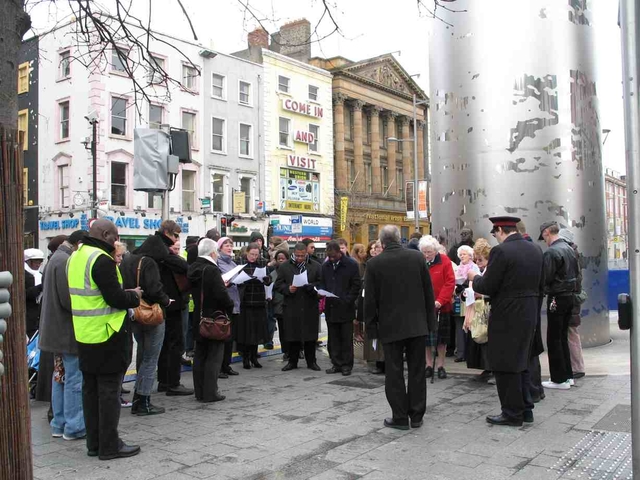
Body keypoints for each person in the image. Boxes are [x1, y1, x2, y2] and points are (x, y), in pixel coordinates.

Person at [67, 219, 141, 459]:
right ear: (106, 234)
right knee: (109, 392)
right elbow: (114, 299)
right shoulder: (101, 259)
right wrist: (135, 297)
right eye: (115, 236)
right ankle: (110, 446)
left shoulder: (76, 257)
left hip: (85, 333)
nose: (116, 241)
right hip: (107, 333)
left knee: (90, 391)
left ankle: (94, 444)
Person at [468, 216, 543, 427]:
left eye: (494, 233)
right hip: (529, 311)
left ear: (500, 229)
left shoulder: (501, 251)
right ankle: (525, 408)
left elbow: (488, 285)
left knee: (504, 363)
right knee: (523, 361)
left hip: (507, 314)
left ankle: (511, 413)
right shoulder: (534, 249)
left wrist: (475, 278)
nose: (495, 237)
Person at [364, 225, 436, 430]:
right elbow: (427, 292)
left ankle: (400, 416)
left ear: (382, 242)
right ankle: (417, 415)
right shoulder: (417, 258)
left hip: (390, 326)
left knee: (394, 372)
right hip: (417, 324)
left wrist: (371, 328)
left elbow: (370, 300)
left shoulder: (374, 264)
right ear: (399, 239)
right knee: (417, 370)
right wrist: (431, 322)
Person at [39, 231, 86, 440]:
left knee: (59, 377)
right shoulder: (66, 261)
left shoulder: (54, 259)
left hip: (54, 330)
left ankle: (58, 423)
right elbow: (69, 300)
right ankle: (74, 425)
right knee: (73, 379)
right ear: (78, 244)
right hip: (66, 331)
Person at [120, 233, 173, 416]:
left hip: (134, 313)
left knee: (142, 354)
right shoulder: (149, 262)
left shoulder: (127, 260)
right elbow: (154, 289)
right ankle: (143, 400)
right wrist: (166, 301)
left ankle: (138, 397)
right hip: (151, 313)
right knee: (150, 358)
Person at [188, 239, 235, 402]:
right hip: (214, 318)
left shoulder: (194, 267)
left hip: (199, 318)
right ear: (213, 253)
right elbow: (221, 295)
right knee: (214, 356)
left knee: (200, 355)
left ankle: (199, 391)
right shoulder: (212, 270)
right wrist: (230, 305)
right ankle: (210, 393)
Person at [539, 221, 580, 390]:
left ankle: (558, 379)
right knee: (562, 336)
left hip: (556, 297)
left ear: (547, 232)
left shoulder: (552, 252)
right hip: (569, 297)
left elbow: (545, 278)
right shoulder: (570, 249)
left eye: (543, 236)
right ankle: (567, 376)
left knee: (554, 338)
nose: (544, 239)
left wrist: (544, 290)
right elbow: (577, 274)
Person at [155, 221, 193, 396]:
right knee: (174, 344)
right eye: (175, 235)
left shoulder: (157, 247)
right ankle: (172, 383)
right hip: (171, 302)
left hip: (169, 302)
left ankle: (164, 381)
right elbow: (182, 266)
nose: (177, 239)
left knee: (165, 345)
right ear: (167, 233)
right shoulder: (161, 249)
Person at [276, 243, 322, 371]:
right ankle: (292, 361)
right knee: (293, 334)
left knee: (310, 336)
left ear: (306, 253)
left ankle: (311, 361)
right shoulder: (285, 266)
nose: (300, 258)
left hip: (309, 304)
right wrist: (288, 289)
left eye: (302, 256)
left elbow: (321, 283)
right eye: (297, 256)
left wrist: (312, 286)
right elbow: (278, 285)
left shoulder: (316, 266)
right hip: (292, 305)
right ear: (293, 253)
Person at [320, 241, 361, 376]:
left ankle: (346, 365)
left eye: (334, 256)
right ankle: (336, 363)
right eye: (329, 257)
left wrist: (348, 300)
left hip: (345, 307)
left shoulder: (351, 264)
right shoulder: (326, 266)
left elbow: (356, 285)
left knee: (346, 338)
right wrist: (321, 292)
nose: (331, 259)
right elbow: (322, 283)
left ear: (339, 253)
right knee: (333, 338)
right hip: (331, 307)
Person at [419, 235, 455, 380]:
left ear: (435, 250)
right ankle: (428, 365)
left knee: (441, 340)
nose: (427, 255)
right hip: (425, 307)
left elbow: (450, 282)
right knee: (426, 339)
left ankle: (440, 365)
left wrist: (440, 301)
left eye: (429, 252)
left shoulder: (445, 261)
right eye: (424, 252)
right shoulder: (420, 261)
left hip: (442, 306)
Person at [237, 243, 272, 369]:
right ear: (247, 252)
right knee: (246, 331)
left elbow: (269, 279)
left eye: (256, 255)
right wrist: (245, 279)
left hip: (259, 300)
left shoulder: (262, 262)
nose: (254, 257)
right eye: (252, 254)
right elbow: (235, 279)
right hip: (245, 301)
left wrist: (266, 279)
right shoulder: (240, 262)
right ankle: (245, 358)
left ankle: (254, 357)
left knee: (257, 331)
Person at [464, 238, 493, 383]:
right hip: (481, 308)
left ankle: (491, 369)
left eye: (480, 259)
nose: (477, 262)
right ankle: (487, 368)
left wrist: (479, 294)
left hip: (488, 308)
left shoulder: (491, 269)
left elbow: (493, 290)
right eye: (476, 259)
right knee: (482, 337)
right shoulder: (484, 269)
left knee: (486, 337)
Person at [559, 228, 585, 379]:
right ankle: (576, 366)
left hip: (571, 298)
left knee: (571, 332)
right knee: (571, 331)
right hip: (574, 298)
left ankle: (577, 367)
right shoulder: (574, 253)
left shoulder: (570, 254)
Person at [216, 237, 241, 378]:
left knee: (230, 337)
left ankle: (227, 365)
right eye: (226, 245)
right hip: (224, 302)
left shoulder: (232, 262)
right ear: (220, 247)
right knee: (223, 336)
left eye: (231, 245)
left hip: (235, 301)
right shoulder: (217, 262)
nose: (229, 247)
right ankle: (219, 367)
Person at [270, 251, 290, 359]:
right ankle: (285, 351)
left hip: (290, 304)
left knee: (292, 329)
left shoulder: (291, 271)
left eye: (283, 258)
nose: (281, 260)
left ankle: (297, 349)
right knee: (282, 330)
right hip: (278, 305)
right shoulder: (272, 274)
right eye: (279, 258)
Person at [24, 248, 45, 339]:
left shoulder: (40, 275)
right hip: (27, 316)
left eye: (40, 262)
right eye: (35, 262)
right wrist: (40, 287)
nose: (38, 264)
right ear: (27, 262)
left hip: (40, 316)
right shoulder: (22, 275)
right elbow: (24, 294)